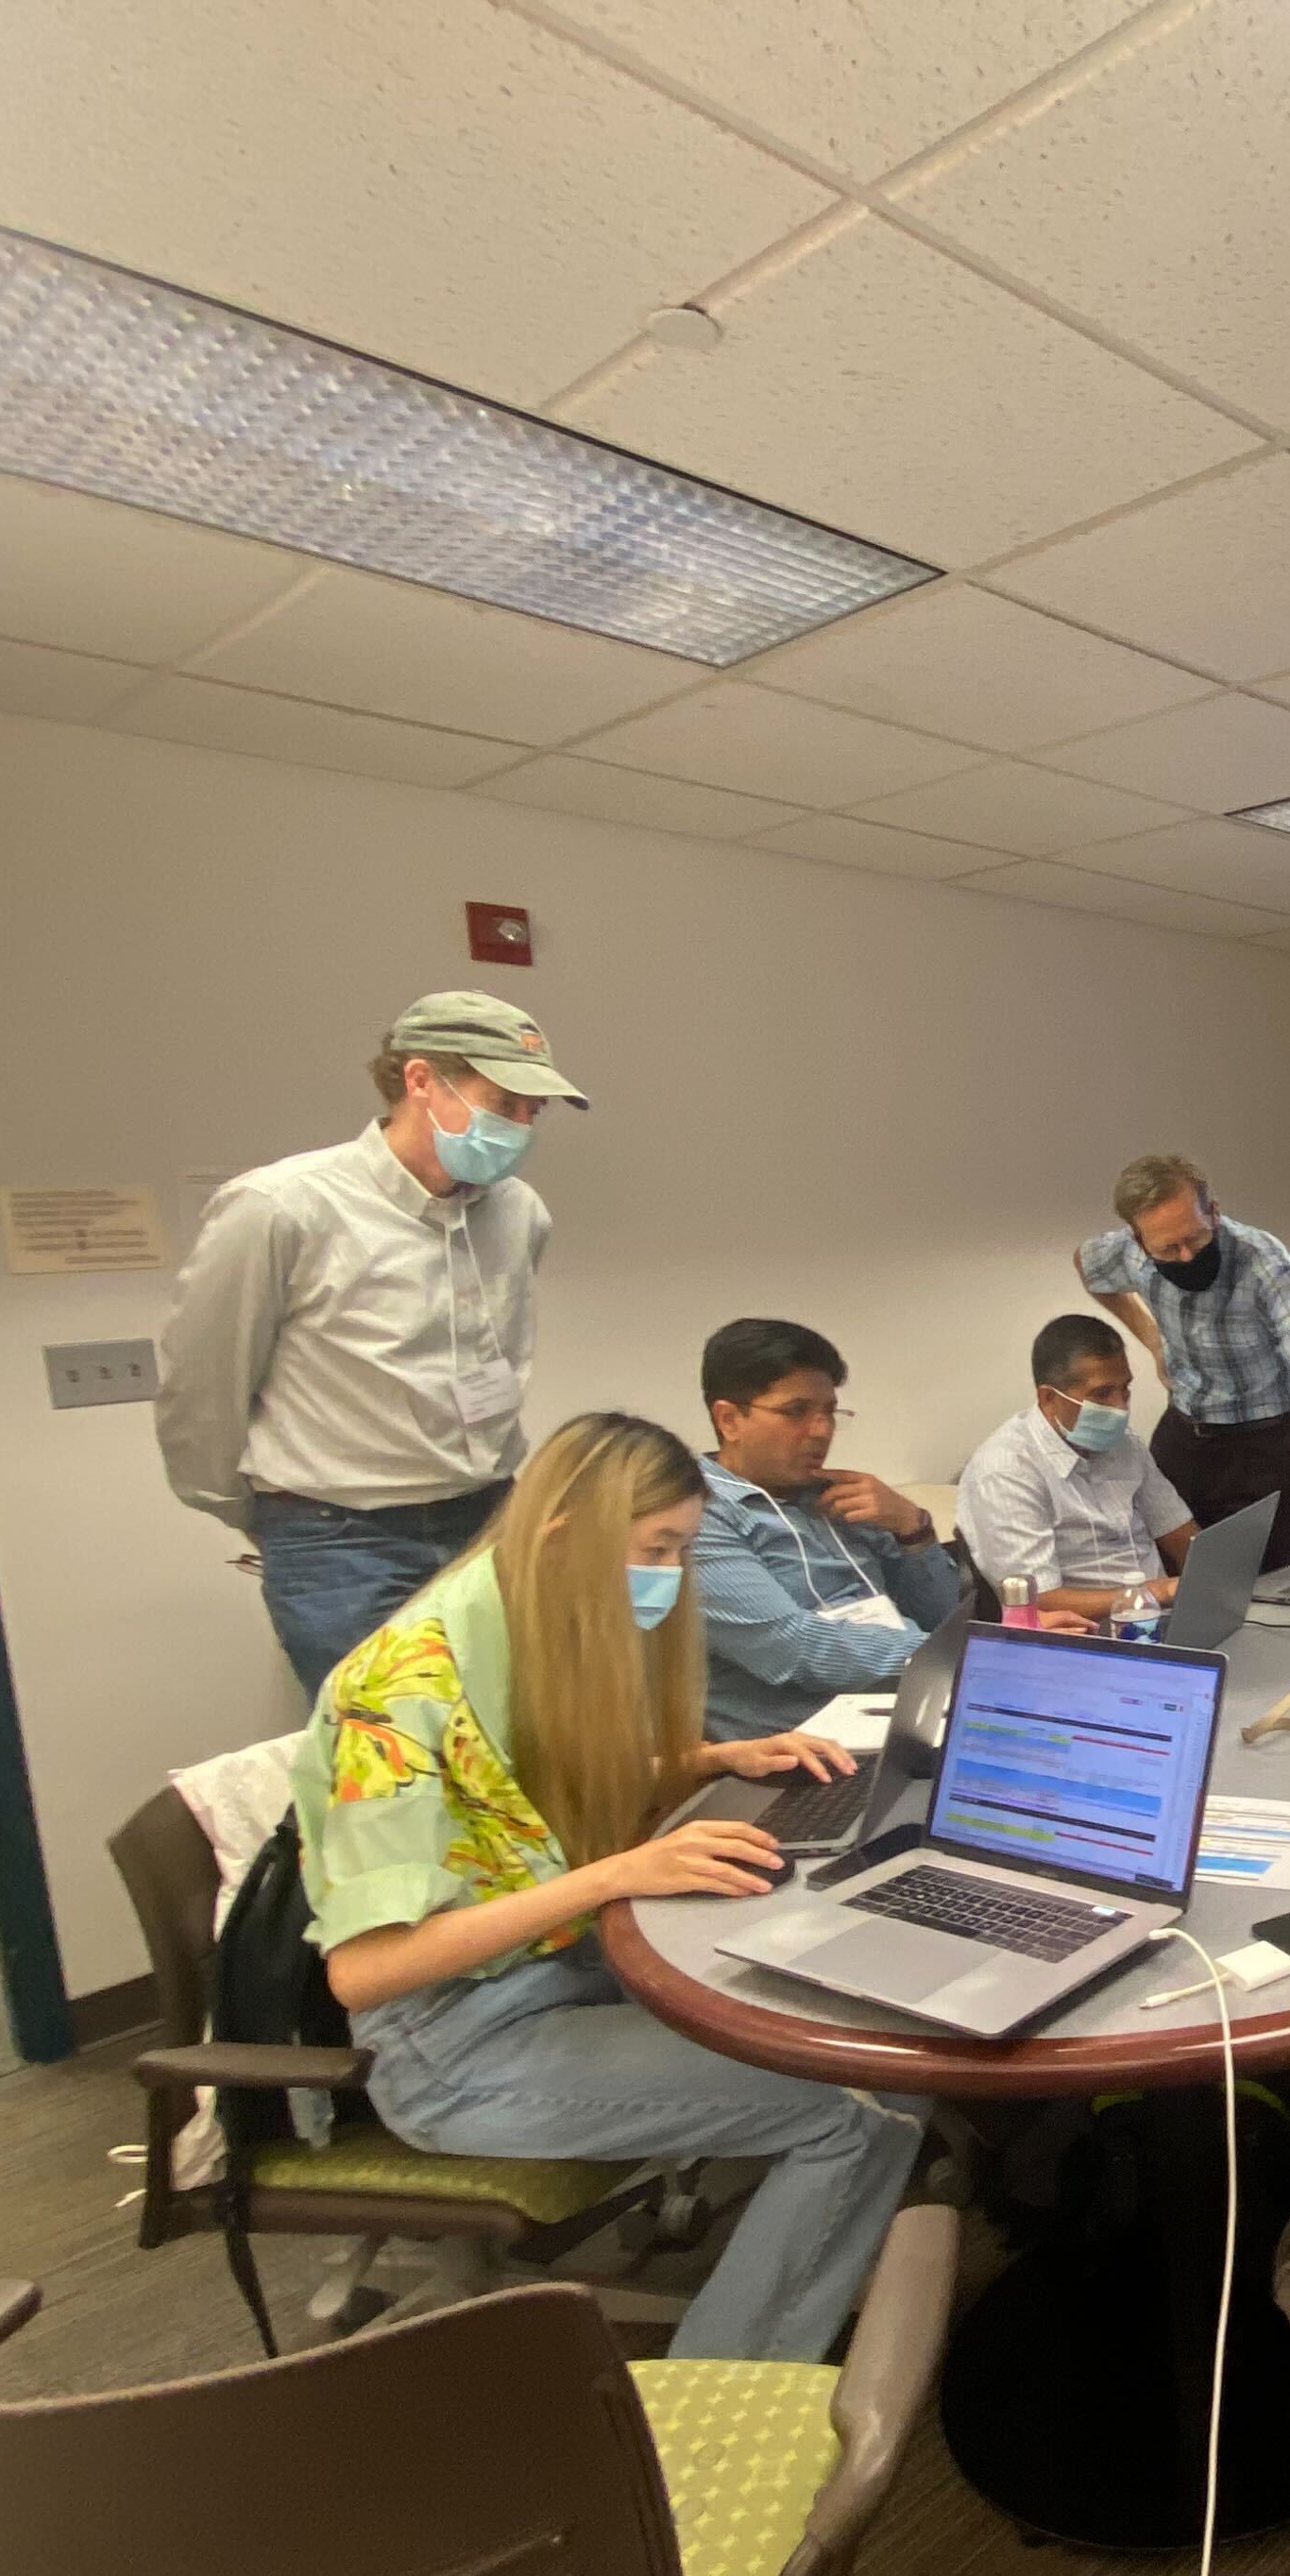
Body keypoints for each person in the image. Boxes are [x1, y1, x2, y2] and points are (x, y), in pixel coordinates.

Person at [297, 1411, 925, 2362]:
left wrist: (708, 1757)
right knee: (856, 2113)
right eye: (657, 1549)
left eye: (680, 1550)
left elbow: (513, 1789)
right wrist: (615, 1875)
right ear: (565, 1537)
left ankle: (807, 2273)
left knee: (868, 2036)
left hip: (556, 1969)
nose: (670, 1574)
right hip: (453, 2042)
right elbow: (367, 1969)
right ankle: (707, 2409)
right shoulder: (401, 1686)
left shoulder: (513, 1614)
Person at [158, 990, 586, 1697]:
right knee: (384, 1746)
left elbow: (502, 1357)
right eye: (503, 1103)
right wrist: (260, 1516)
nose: (519, 1127)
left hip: (488, 1517)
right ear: (421, 1080)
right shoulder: (281, 1206)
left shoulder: (520, 1213)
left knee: (510, 1728)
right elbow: (202, 1385)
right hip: (341, 1539)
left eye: (532, 1111)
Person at [686, 1318, 963, 1739]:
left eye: (829, 1412)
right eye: (796, 1412)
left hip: (913, 1711)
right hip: (796, 1748)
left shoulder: (843, 1497)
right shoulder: (696, 1514)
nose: (822, 1431)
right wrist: (954, 1658)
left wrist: (912, 1527)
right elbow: (790, 1646)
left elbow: (944, 1618)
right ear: (729, 1420)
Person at [1076, 1152, 1290, 1570]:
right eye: (1168, 1248)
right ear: (1139, 1239)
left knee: (1265, 1583)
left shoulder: (1262, 1260)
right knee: (1175, 1575)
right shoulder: (1127, 1253)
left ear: (1213, 1212)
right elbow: (1087, 1265)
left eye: (1196, 1238)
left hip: (1263, 1446)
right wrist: (1152, 1339)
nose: (1186, 1256)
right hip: (1184, 1439)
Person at [957, 1317, 1203, 1625]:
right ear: (1048, 1398)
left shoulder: (1125, 1444)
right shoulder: (1006, 1471)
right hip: (1084, 1633)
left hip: (1162, 1618)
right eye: (1102, 1394)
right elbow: (1040, 1601)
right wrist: (1155, 1592)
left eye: (1125, 1390)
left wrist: (1212, 1584)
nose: (1120, 1408)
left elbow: (1179, 1532)